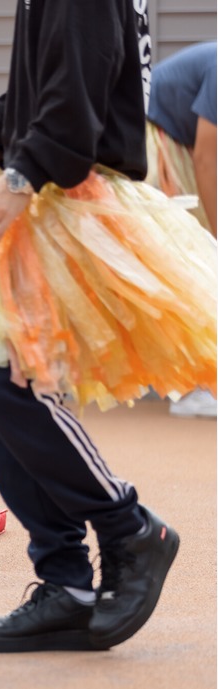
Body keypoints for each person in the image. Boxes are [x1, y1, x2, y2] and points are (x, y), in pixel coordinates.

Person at [0, 2, 215, 652]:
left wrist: (23, 175)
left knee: (13, 390)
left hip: (76, 205)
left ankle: (128, 528)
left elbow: (74, 98)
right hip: (65, 203)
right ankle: (68, 584)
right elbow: (40, 99)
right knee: (2, 391)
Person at [144, 41, 218, 418]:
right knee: (191, 260)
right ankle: (191, 388)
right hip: (153, 143)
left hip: (172, 143)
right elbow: (207, 158)